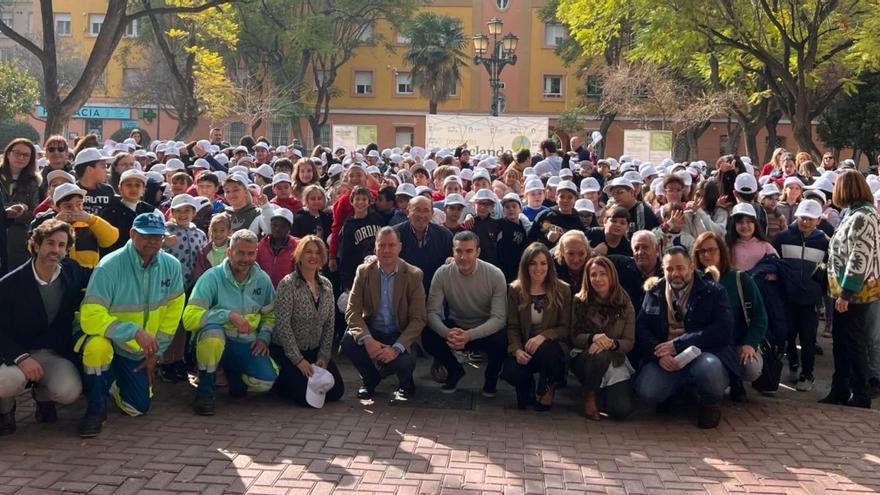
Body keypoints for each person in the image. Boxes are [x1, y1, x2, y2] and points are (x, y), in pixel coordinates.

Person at [77, 212, 185, 437]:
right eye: (146, 236)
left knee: (138, 408)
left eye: (158, 236)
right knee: (98, 349)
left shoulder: (171, 265)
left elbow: (173, 314)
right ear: (133, 234)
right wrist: (133, 332)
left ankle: (112, 382)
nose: (153, 241)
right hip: (107, 338)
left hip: (137, 350)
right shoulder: (109, 266)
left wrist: (157, 353)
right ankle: (95, 410)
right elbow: (90, 316)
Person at [634, 246, 737, 429]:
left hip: (703, 354)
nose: (675, 274)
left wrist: (679, 344)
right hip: (666, 356)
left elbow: (723, 329)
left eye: (680, 268)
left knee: (710, 369)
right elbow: (641, 328)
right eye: (670, 269)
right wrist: (658, 355)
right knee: (647, 390)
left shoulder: (713, 290)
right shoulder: (654, 291)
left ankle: (710, 403)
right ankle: (676, 393)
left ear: (691, 266)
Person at [0, 220, 88, 435]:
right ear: (37, 245)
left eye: (61, 245)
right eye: (50, 243)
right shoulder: (10, 283)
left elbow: (103, 274)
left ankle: (43, 397)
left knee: (69, 392)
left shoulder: (72, 272)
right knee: (6, 382)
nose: (55, 249)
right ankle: (5, 410)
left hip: (51, 352)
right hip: (15, 354)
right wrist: (20, 357)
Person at [183, 230, 278, 416]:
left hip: (245, 344)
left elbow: (270, 316)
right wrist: (227, 315)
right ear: (229, 252)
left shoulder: (263, 280)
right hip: (213, 341)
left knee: (266, 381)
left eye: (251, 253)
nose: (246, 258)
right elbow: (189, 318)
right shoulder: (211, 278)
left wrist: (264, 338)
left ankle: (233, 374)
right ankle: (205, 391)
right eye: (240, 252)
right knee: (212, 336)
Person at [342, 227, 426, 399]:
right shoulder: (364, 271)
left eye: (391, 245)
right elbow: (352, 310)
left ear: (400, 247)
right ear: (375, 248)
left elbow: (419, 318)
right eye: (382, 245)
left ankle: (406, 382)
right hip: (373, 330)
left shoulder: (413, 274)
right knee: (349, 341)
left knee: (404, 361)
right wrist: (367, 339)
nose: (386, 250)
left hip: (398, 332)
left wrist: (396, 349)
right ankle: (370, 380)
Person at [821, 171, 880, 408]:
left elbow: (859, 257)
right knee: (842, 341)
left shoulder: (863, 217)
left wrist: (846, 293)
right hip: (843, 292)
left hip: (853, 294)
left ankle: (860, 392)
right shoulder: (854, 214)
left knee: (853, 343)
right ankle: (841, 389)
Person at [424, 231, 508, 395]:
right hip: (456, 327)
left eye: (469, 251)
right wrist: (446, 333)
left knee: (502, 340)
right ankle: (454, 370)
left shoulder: (495, 274)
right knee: (428, 335)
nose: (463, 257)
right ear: (453, 252)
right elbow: (432, 312)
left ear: (478, 252)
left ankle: (491, 378)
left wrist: (470, 335)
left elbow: (499, 318)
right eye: (459, 251)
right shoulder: (442, 273)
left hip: (484, 328)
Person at [692, 232, 768, 402]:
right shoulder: (692, 281)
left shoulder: (739, 279)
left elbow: (760, 316)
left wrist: (750, 343)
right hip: (703, 344)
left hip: (736, 343)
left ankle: (736, 379)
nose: (707, 255)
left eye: (712, 250)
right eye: (701, 251)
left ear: (722, 252)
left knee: (750, 367)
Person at [272, 236, 344, 406]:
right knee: (305, 398)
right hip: (288, 351)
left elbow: (329, 324)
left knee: (336, 391)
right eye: (308, 252)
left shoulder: (326, 285)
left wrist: (323, 357)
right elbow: (283, 325)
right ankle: (280, 382)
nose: (313, 256)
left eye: (317, 252)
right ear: (299, 255)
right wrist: (298, 360)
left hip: (314, 350)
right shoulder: (287, 284)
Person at [501, 243, 571, 410]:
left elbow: (565, 327)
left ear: (549, 265)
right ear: (525, 266)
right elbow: (512, 326)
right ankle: (528, 386)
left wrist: (543, 336)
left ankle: (549, 387)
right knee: (512, 372)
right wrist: (517, 349)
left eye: (543, 263)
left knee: (548, 350)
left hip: (552, 347)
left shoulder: (563, 289)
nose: (538, 268)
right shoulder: (515, 289)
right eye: (533, 263)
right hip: (526, 347)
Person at [771, 199, 829, 391]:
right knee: (788, 334)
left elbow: (830, 271)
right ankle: (793, 365)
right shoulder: (783, 237)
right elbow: (772, 260)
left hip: (810, 300)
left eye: (811, 219)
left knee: (808, 338)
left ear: (818, 220)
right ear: (797, 217)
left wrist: (820, 288)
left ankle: (807, 374)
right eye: (803, 217)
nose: (806, 222)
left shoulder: (825, 243)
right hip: (787, 297)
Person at [570, 256, 635, 421]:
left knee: (622, 411)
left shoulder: (625, 303)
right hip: (586, 357)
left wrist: (611, 343)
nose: (598, 279)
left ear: (611, 275)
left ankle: (604, 395)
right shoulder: (579, 301)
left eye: (603, 274)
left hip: (615, 358)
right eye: (593, 275)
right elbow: (574, 336)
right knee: (601, 356)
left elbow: (629, 341)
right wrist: (593, 337)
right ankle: (589, 395)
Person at [31, 183, 119, 269]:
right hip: (58, 274)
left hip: (86, 276)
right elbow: (33, 247)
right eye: (68, 206)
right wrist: (54, 223)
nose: (75, 209)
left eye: (79, 204)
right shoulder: (47, 222)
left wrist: (91, 220)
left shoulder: (91, 222)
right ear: (57, 208)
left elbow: (111, 239)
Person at [393, 196, 453, 295]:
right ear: (408, 212)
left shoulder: (444, 235)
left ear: (432, 214)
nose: (421, 215)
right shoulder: (395, 234)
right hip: (402, 293)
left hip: (435, 292)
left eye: (426, 210)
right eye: (417, 210)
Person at [1, 138, 42, 269]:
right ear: (8, 153)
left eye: (26, 155)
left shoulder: (33, 181)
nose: (21, 157)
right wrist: (5, 212)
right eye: (17, 153)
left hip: (20, 239)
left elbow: (35, 212)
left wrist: (17, 213)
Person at [98, 169, 155, 252]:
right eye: (128, 185)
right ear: (120, 188)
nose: (133, 189)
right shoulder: (109, 212)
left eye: (137, 185)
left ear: (143, 190)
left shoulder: (150, 211)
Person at [527, 180, 582, 249]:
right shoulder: (544, 215)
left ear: (575, 199)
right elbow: (530, 240)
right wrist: (548, 240)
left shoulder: (578, 219)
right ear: (556, 198)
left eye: (570, 197)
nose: (565, 200)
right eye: (562, 197)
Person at [726, 203, 777, 271]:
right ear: (734, 225)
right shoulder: (728, 247)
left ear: (755, 224)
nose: (744, 225)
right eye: (740, 222)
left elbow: (778, 268)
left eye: (748, 221)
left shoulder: (766, 247)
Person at [256, 208, 299, 288]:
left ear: (289, 229)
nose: (277, 229)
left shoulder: (297, 246)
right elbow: (256, 268)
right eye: (274, 225)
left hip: (287, 291)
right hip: (264, 290)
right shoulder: (262, 245)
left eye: (283, 226)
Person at [73, 148, 115, 215]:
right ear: (89, 169)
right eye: (103, 166)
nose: (107, 170)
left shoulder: (108, 190)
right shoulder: (71, 191)